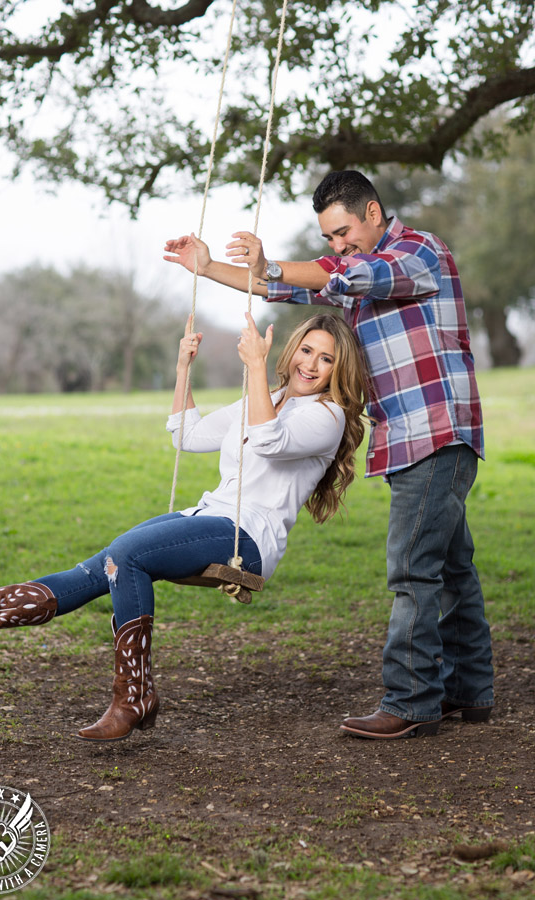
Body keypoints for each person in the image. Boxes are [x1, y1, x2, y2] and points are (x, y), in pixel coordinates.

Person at [164, 169, 494, 740]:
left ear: (372, 212)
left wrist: (271, 263)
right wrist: (209, 266)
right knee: (451, 567)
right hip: (413, 438)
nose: (338, 246)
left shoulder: (417, 251)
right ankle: (468, 690)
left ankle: (411, 700)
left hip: (435, 430)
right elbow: (290, 288)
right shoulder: (355, 275)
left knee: (413, 568)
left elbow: (345, 275)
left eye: (343, 231)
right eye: (329, 239)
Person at [0, 311, 368, 742]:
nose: (310, 365)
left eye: (325, 359)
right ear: (293, 352)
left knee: (128, 555)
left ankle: (133, 696)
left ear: (338, 368)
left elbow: (269, 440)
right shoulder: (266, 397)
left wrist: (255, 366)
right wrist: (184, 368)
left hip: (249, 537)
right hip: (210, 515)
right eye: (306, 351)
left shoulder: (327, 417)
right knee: (104, 564)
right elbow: (188, 435)